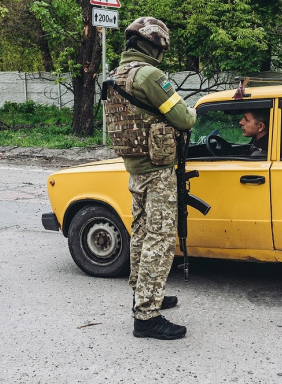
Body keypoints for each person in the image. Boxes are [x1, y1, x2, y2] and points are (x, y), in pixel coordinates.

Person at [102, 17, 196, 340]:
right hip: (157, 171)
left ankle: (143, 293)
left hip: (135, 168)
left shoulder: (116, 76)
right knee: (160, 237)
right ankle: (146, 316)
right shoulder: (150, 76)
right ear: (153, 47)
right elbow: (183, 117)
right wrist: (192, 113)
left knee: (141, 232)